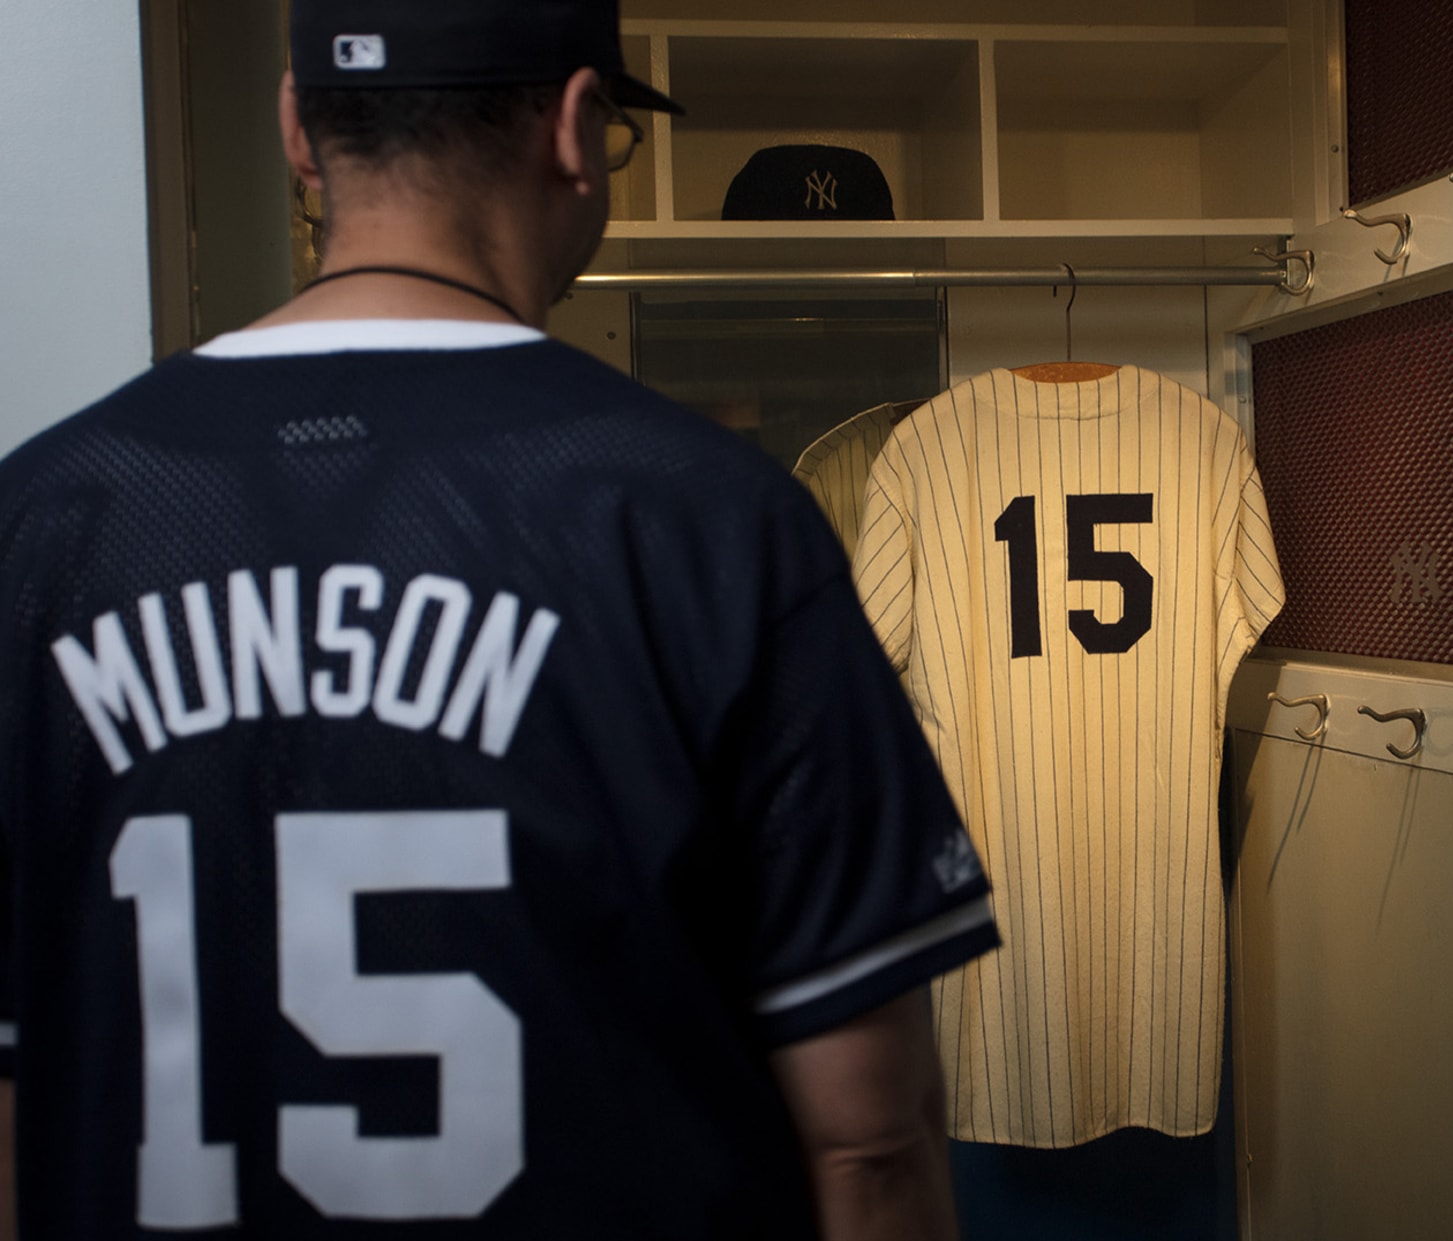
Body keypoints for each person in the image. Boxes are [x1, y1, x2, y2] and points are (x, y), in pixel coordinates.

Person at [0, 1, 996, 1236]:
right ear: (580, 129)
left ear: (298, 132)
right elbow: (870, 1137)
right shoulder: (711, 520)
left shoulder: (43, 521)